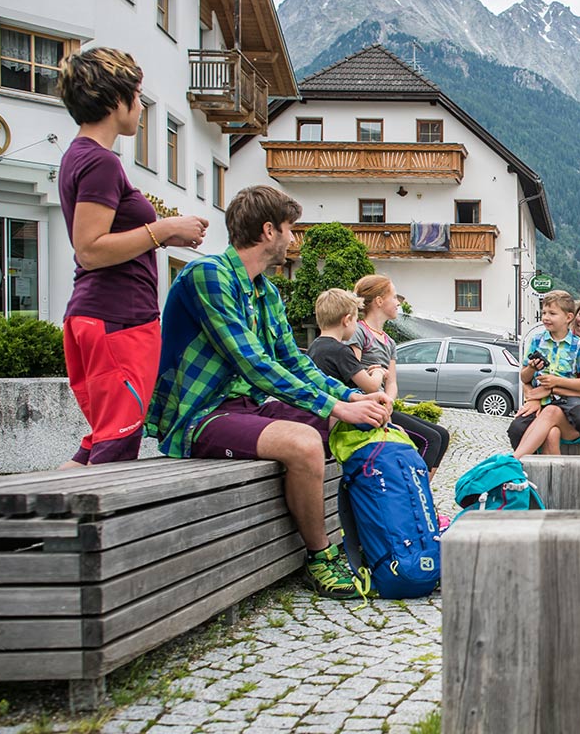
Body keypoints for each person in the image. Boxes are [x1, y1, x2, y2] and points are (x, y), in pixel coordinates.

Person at [147, 186, 391, 599]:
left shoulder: (266, 291)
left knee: (344, 423)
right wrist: (335, 403)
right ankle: (318, 556)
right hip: (200, 415)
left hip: (247, 408)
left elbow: (292, 361)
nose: (293, 239)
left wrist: (349, 399)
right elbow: (254, 364)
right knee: (304, 441)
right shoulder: (208, 277)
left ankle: (375, 537)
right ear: (268, 231)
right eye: (289, 230)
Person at [54, 47, 209, 467]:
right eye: (137, 95)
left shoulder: (79, 157)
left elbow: (100, 241)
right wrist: (163, 230)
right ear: (114, 98)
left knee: (100, 442)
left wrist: (164, 236)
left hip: (98, 316)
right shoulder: (100, 162)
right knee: (116, 450)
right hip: (117, 318)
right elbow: (89, 249)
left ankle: (22, 526)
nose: (140, 106)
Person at [351, 275, 450, 476]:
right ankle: (412, 497)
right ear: (379, 301)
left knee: (442, 435)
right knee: (430, 440)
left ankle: (422, 495)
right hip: (366, 406)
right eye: (394, 297)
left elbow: (392, 382)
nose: (398, 303)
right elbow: (351, 372)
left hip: (383, 406)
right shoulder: (359, 332)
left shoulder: (389, 341)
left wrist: (389, 401)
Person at [507, 293, 580, 456]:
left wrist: (550, 388)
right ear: (572, 315)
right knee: (549, 433)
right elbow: (528, 377)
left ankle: (514, 459)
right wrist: (532, 397)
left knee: (551, 413)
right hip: (546, 403)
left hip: (579, 412)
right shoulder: (551, 337)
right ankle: (539, 474)